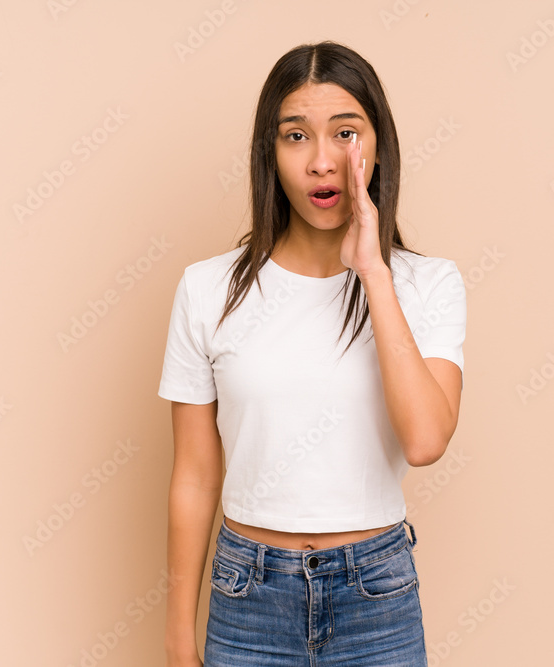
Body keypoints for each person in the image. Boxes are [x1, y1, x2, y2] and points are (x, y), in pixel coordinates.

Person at [158, 40, 466, 666]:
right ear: (268, 152)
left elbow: (426, 440)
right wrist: (177, 634)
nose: (323, 161)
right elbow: (193, 474)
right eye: (296, 136)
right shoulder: (207, 289)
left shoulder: (426, 284)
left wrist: (374, 273)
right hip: (248, 597)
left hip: (375, 596)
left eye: (345, 132)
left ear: (378, 145)